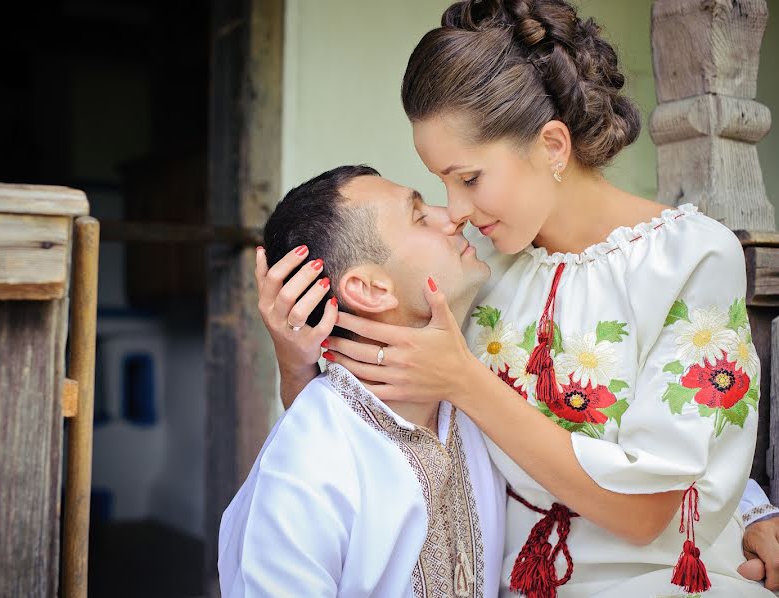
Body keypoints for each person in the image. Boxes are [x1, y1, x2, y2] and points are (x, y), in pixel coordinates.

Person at [255, 0, 779, 596]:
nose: (453, 211)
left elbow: (653, 497)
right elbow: (360, 434)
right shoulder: (477, 275)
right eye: (442, 183)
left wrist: (748, 505)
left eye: (469, 179)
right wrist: (297, 358)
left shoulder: (689, 256)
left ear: (553, 145)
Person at [219, 166, 507, 597]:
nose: (452, 216)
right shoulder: (305, 467)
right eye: (418, 216)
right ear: (370, 290)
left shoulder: (473, 401)